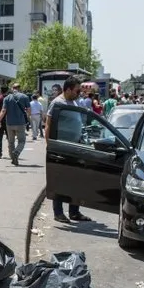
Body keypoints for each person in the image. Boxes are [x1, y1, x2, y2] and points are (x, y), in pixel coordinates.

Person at [44, 76, 92, 224]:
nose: (79, 93)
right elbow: (48, 125)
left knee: (75, 181)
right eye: (77, 90)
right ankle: (58, 213)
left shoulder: (74, 101)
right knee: (60, 182)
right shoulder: (58, 103)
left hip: (74, 147)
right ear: (68, 89)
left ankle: (74, 212)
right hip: (62, 149)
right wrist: (51, 146)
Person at [0, 83, 30, 166]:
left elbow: (3, 110)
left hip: (9, 123)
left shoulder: (7, 98)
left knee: (11, 142)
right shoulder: (24, 97)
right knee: (22, 141)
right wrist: (28, 117)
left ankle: (13, 158)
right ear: (19, 88)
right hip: (20, 123)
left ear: (12, 88)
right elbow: (29, 111)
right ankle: (16, 152)